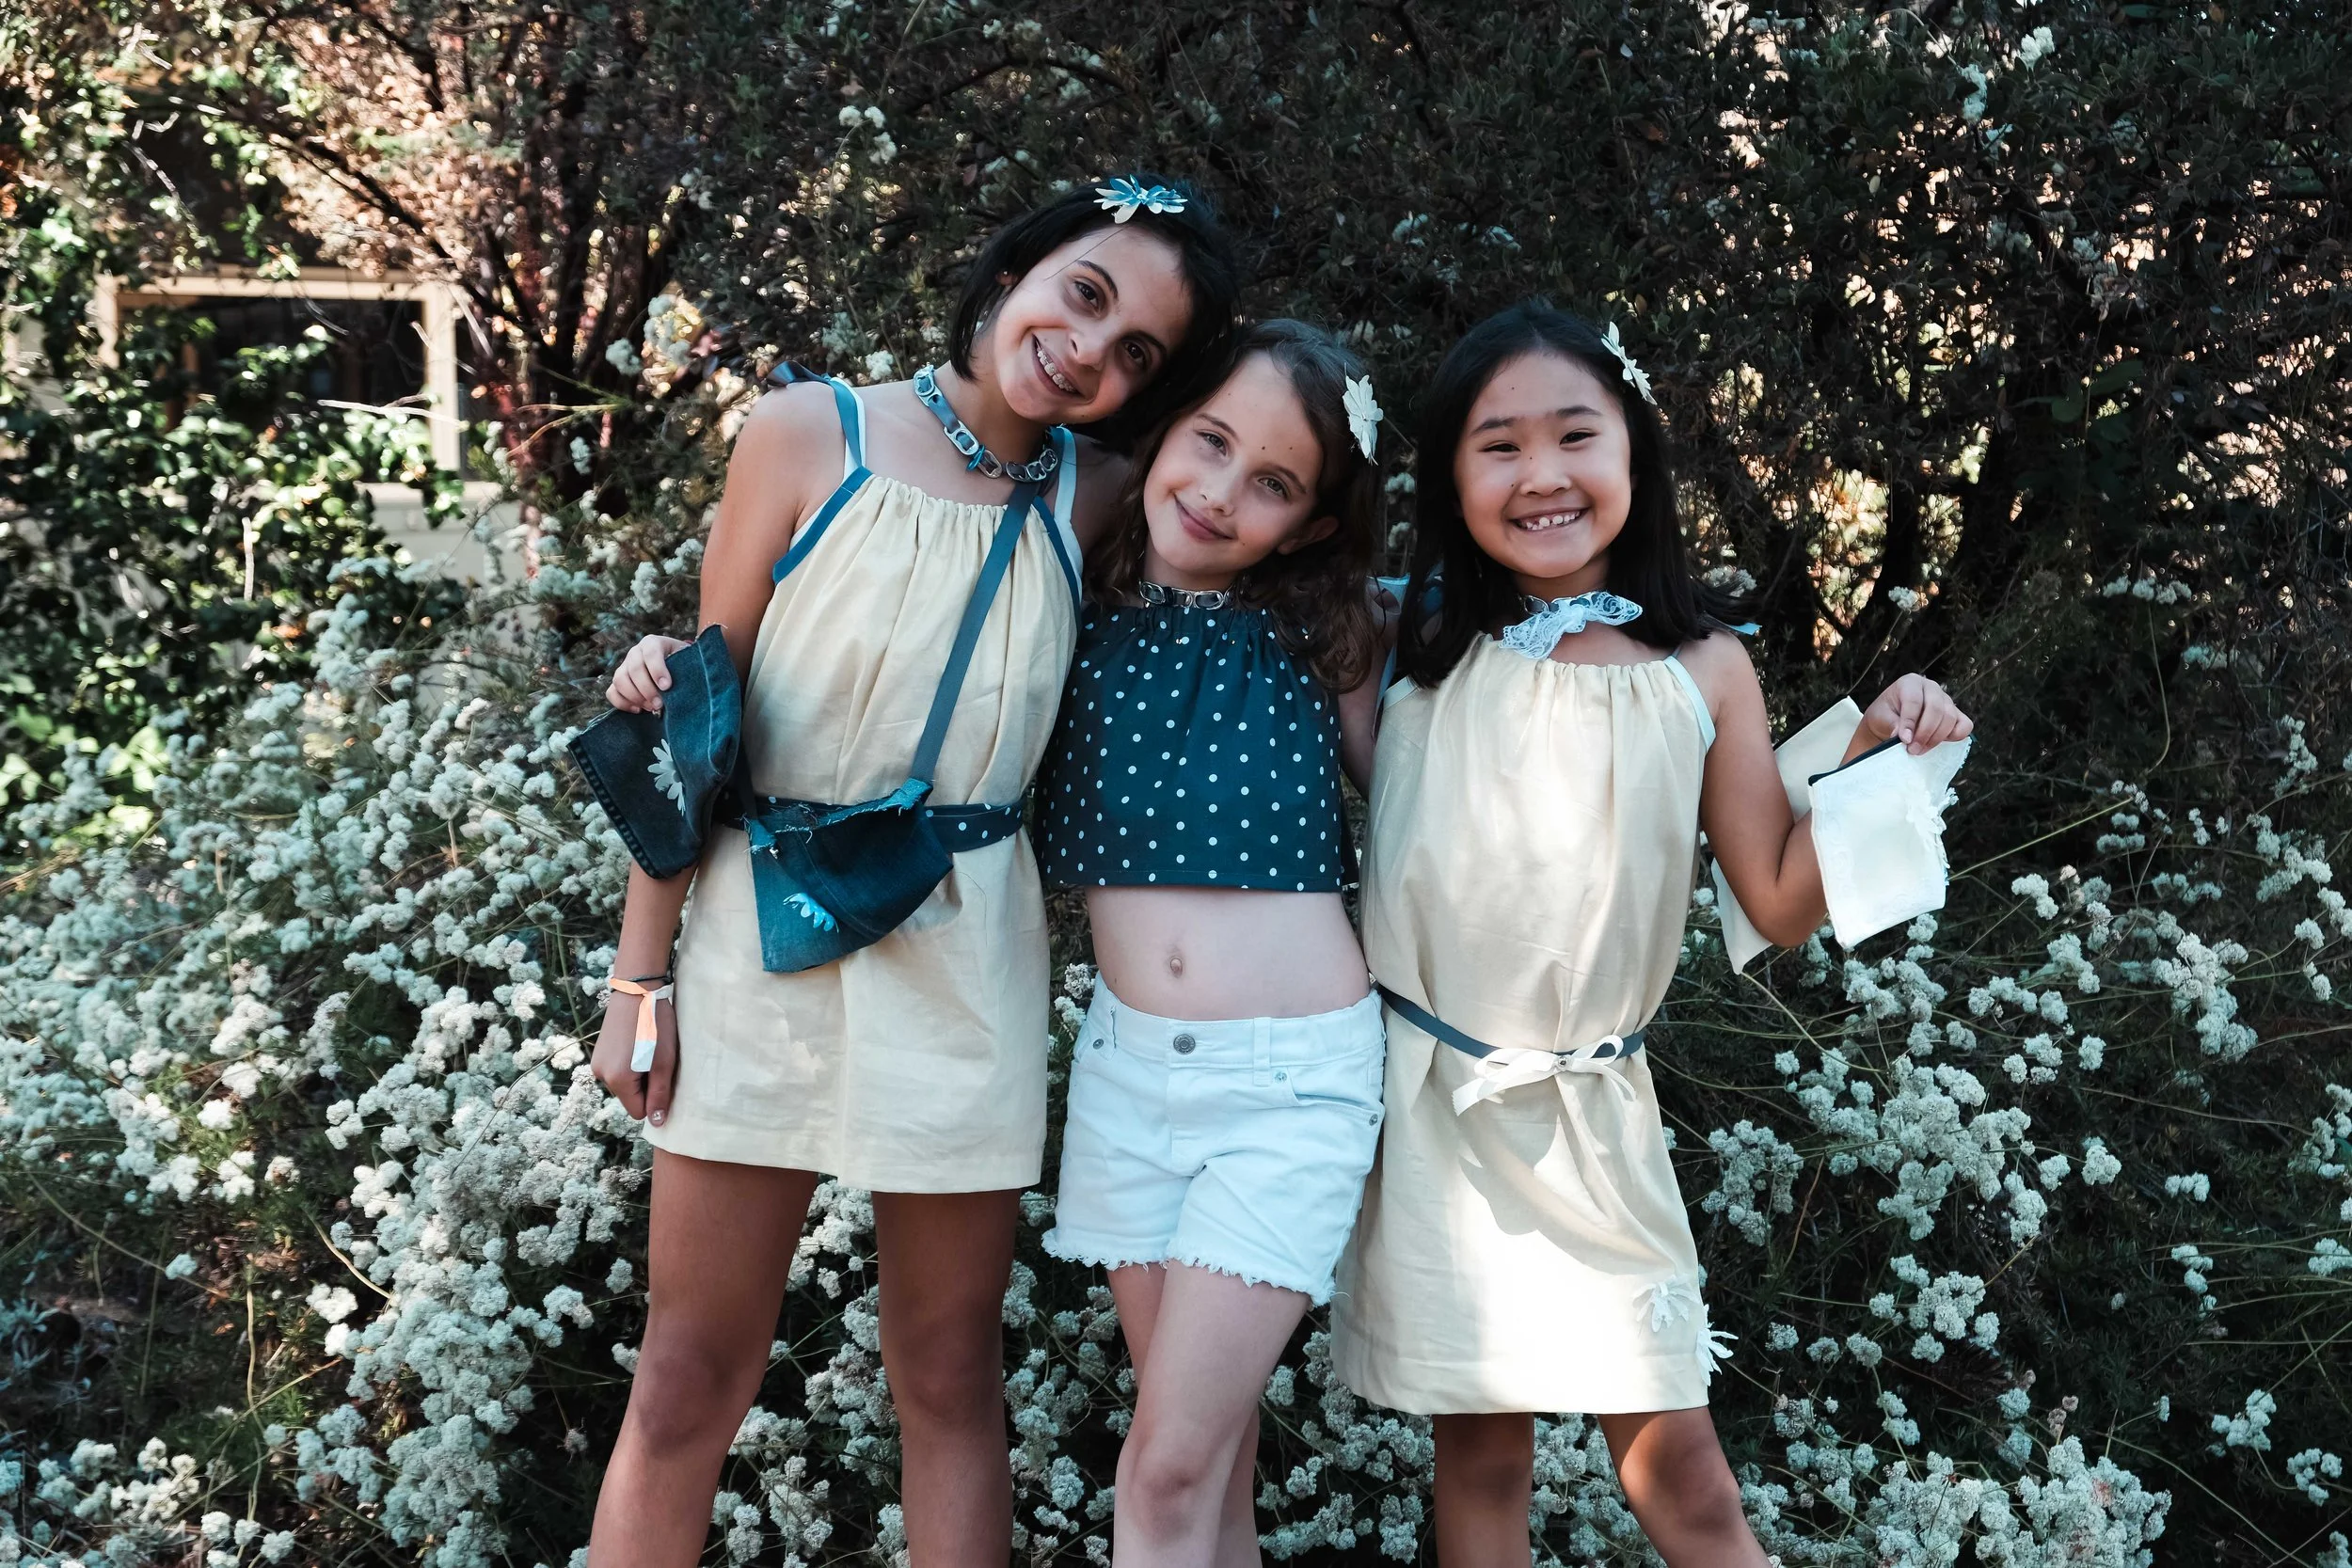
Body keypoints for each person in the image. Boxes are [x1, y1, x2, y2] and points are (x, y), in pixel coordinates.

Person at [586, 176, 1243, 1567]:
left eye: (1139, 354)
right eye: (1086, 293)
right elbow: (698, 721)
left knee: (949, 1378)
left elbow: (1295, 549)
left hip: (964, 955)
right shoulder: (804, 433)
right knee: (686, 1375)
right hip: (755, 932)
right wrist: (639, 974)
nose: (1092, 349)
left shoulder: (1106, 497)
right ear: (1017, 263)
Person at [1330, 301, 1974, 1567]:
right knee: (1484, 1452)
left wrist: (1877, 738)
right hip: (1442, 1105)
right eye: (1497, 445)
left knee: (1681, 1468)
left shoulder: (1702, 663)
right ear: (1449, 474)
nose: (1543, 475)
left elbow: (1781, 898)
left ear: (1634, 451)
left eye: (1576, 434)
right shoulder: (1404, 639)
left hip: (1595, 1116)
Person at [1031, 320, 1389, 1566]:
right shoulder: (1066, 597)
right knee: (1208, 1472)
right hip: (1130, 1078)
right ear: (1165, 431)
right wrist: (681, 663)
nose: (1222, 492)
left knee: (1165, 1468)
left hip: (1291, 1088)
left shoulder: (1330, 636)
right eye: (1210, 443)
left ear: (1310, 525)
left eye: (1274, 483)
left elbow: (1461, 779)